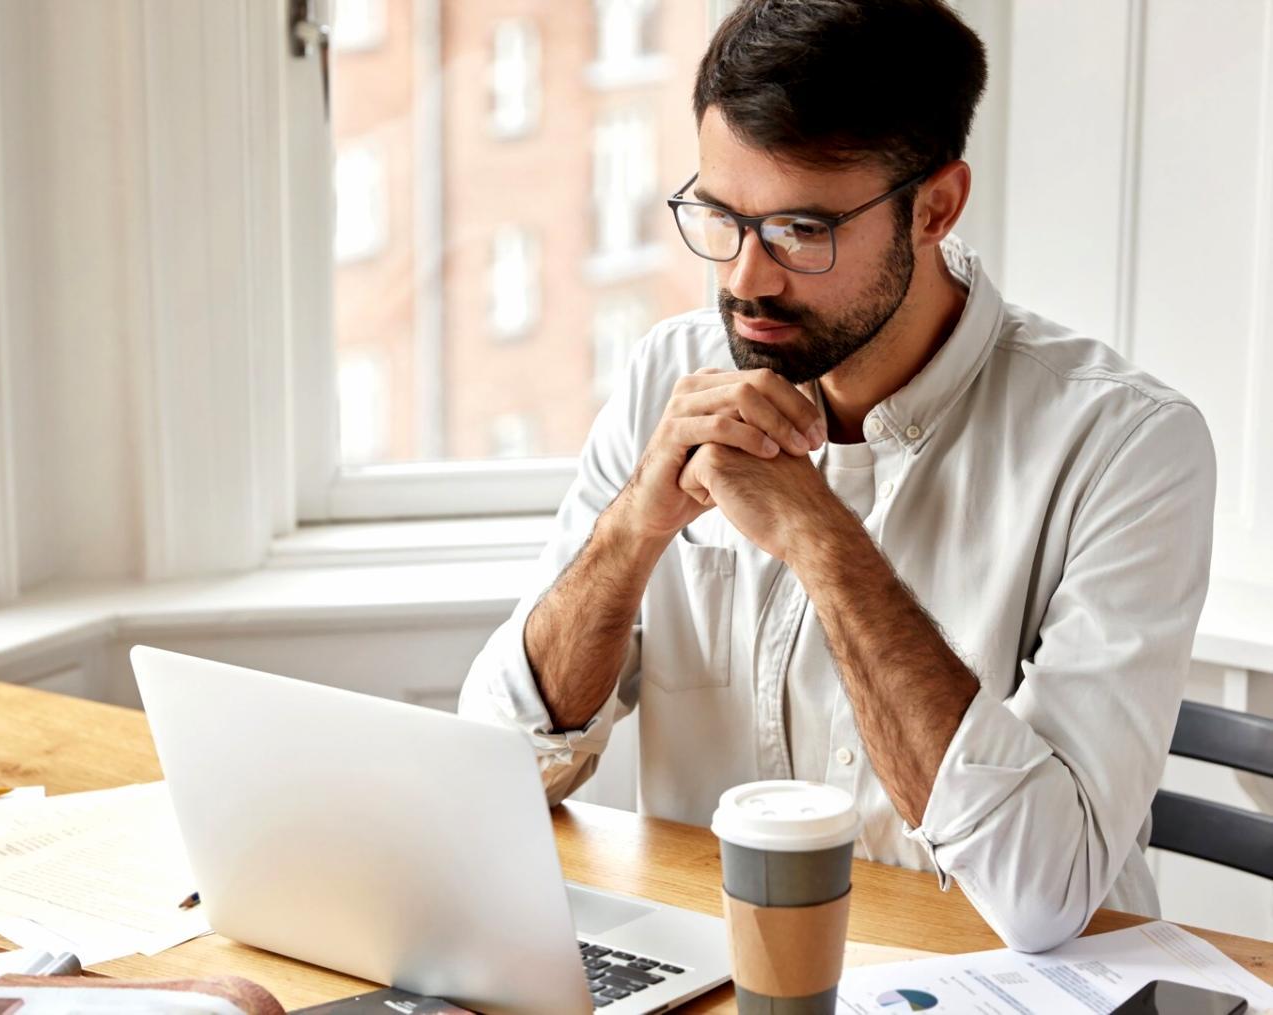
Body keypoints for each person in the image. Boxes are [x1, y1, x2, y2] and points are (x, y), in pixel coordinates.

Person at [458, 0, 1215, 954]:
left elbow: (1041, 893)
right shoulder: (670, 377)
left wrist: (822, 541)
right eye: (720, 218)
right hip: (717, 974)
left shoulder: (1127, 446)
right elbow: (496, 770)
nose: (745, 278)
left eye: (798, 230)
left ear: (934, 207)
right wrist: (632, 529)